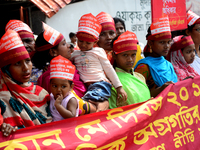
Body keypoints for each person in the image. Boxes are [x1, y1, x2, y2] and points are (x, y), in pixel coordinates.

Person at [32, 23, 104, 113]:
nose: (69, 46)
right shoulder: (51, 78)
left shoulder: (74, 64)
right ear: (53, 52)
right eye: (64, 43)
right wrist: (96, 106)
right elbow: (69, 106)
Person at [0, 30, 52, 136]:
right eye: (17, 63)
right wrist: (3, 127)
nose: (25, 68)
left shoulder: (42, 93)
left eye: (28, 61)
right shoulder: (2, 96)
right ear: (6, 70)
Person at [71, 13, 127, 105]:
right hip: (85, 88)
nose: (109, 37)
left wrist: (119, 87)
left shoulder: (121, 54)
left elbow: (109, 70)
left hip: (101, 87)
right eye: (103, 34)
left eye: (112, 33)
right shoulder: (77, 54)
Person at [134, 16, 178, 97]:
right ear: (150, 43)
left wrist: (185, 82)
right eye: (162, 42)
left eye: (169, 42)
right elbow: (139, 95)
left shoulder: (168, 65)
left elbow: (176, 87)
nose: (166, 46)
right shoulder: (143, 67)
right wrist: (162, 89)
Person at [109, 31, 151, 108]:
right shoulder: (112, 81)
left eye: (133, 55)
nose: (130, 59)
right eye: (125, 55)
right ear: (114, 56)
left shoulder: (140, 77)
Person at [5, 20, 43, 85]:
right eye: (19, 42)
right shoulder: (5, 70)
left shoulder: (45, 62)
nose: (24, 45)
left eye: (28, 41)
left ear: (34, 42)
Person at [49, 55, 82, 121]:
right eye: (55, 86)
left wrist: (58, 106)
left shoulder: (70, 100)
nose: (58, 90)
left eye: (63, 86)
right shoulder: (52, 96)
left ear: (71, 87)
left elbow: (71, 116)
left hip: (68, 129)